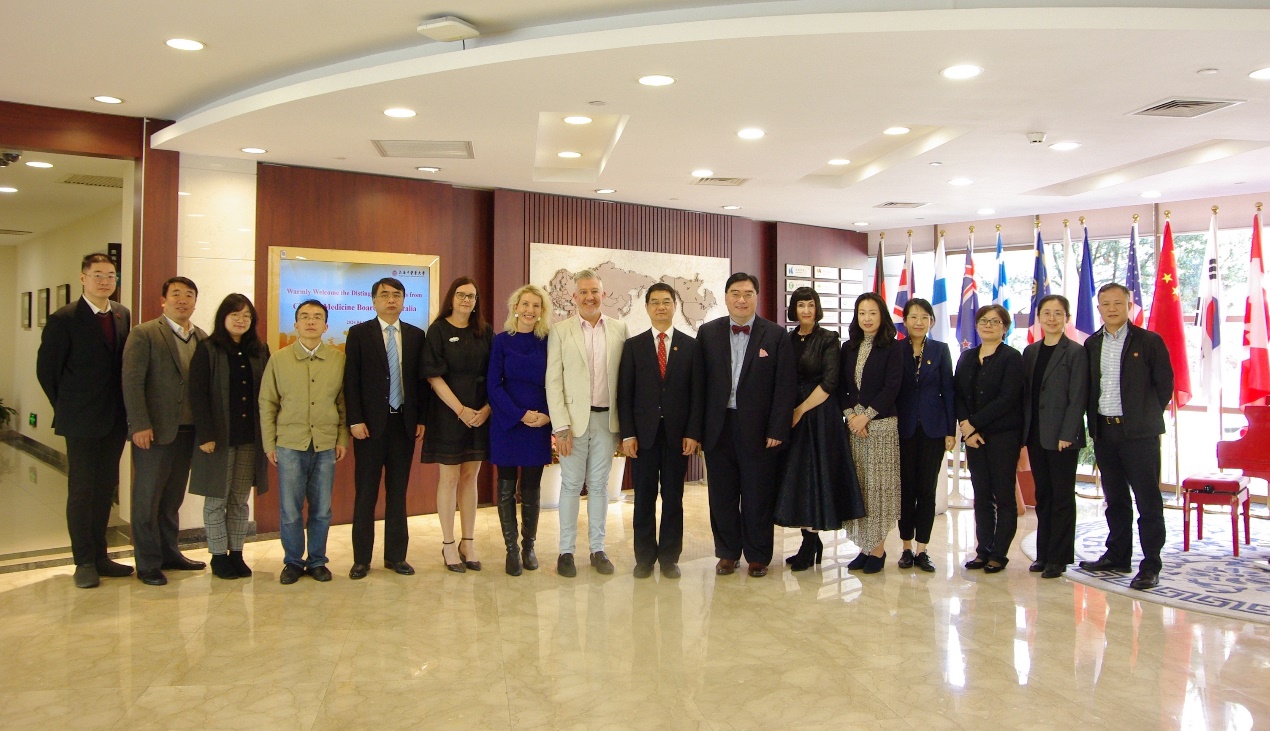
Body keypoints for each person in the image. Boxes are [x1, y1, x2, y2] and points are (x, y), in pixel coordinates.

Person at [36, 253, 134, 589]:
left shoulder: (122, 314)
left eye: (110, 275)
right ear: (83, 278)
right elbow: (47, 371)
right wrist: (68, 407)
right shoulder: (64, 318)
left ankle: (101, 556)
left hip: (114, 418)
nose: (105, 281)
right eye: (97, 275)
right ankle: (84, 561)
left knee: (105, 488)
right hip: (80, 420)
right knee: (82, 491)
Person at [698, 272, 796, 578]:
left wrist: (777, 429)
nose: (741, 300)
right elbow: (698, 386)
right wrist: (697, 431)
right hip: (718, 426)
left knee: (758, 494)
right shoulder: (708, 333)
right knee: (722, 495)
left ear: (757, 297)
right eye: (736, 294)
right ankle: (727, 553)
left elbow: (785, 387)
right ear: (726, 297)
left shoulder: (775, 335)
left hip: (759, 429)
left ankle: (757, 555)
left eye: (748, 294)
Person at [1079, 283, 1173, 591]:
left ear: (1129, 306)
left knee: (1148, 500)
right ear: (1099, 309)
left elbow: (1164, 386)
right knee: (1115, 499)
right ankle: (1118, 556)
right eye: (1106, 304)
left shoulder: (1148, 341)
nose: (1112, 309)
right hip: (1105, 431)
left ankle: (1151, 565)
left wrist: (1144, 415)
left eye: (1118, 303)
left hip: (1140, 434)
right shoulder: (1092, 344)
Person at [122, 276, 208, 586]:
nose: (182, 300)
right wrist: (139, 424)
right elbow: (132, 382)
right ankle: (147, 562)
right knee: (147, 499)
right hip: (154, 432)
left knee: (172, 498)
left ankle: (170, 553)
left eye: (189, 295)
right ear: (163, 300)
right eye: (176, 294)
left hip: (188, 431)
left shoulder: (201, 337)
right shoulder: (144, 333)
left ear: (195, 302)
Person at [617, 283, 705, 579]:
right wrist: (628, 434)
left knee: (673, 498)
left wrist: (692, 433)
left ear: (675, 306)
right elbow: (624, 394)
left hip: (677, 437)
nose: (661, 307)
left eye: (666, 301)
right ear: (646, 308)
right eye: (654, 302)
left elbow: (697, 394)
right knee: (643, 498)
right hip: (643, 437)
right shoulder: (634, 346)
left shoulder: (691, 346)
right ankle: (644, 558)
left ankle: (669, 558)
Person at [259, 299, 349, 584]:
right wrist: (269, 443)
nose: (311, 321)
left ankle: (318, 560)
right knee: (290, 510)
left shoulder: (338, 360)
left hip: (325, 443)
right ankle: (293, 562)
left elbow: (343, 403)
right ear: (296, 324)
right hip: (289, 444)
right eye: (305, 317)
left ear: (326, 325)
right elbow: (267, 402)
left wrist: (342, 438)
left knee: (322, 510)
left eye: (317, 317)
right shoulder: (279, 359)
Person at [774, 287, 864, 571]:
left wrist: (800, 410)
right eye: (801, 305)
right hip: (792, 417)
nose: (806, 310)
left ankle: (811, 543)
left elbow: (830, 382)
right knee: (798, 480)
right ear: (794, 309)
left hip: (819, 415)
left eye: (810, 305)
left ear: (817, 308)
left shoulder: (829, 339)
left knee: (816, 477)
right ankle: (808, 541)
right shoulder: (787, 339)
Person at [546, 270, 628, 577]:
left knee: (599, 486)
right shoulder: (560, 331)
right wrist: (560, 427)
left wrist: (625, 428)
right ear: (574, 296)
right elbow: (553, 381)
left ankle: (598, 549)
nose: (589, 297)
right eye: (583, 292)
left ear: (603, 295)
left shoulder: (620, 329)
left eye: (594, 291)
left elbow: (626, 381)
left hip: (607, 421)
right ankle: (566, 551)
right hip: (572, 424)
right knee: (570, 485)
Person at [344, 277, 427, 580]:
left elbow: (420, 383)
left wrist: (421, 419)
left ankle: (396, 557)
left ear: (404, 301)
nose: (391, 300)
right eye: (384, 295)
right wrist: (355, 420)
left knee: (397, 493)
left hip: (403, 424)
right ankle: (361, 560)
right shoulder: (359, 333)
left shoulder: (416, 335)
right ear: (374, 301)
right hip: (369, 427)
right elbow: (351, 380)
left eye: (396, 295)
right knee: (366, 493)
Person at [188, 293, 271, 580]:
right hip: (218, 438)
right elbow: (197, 394)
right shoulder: (208, 348)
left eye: (247, 315)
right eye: (235, 314)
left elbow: (268, 393)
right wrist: (206, 434)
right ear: (223, 317)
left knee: (239, 499)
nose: (241, 320)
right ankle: (218, 556)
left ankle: (236, 552)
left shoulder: (259, 350)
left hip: (250, 437)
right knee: (216, 499)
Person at [422, 276, 493, 573]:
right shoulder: (438, 330)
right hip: (448, 414)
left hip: (480, 414)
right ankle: (448, 544)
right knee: (449, 479)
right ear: (451, 298)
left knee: (470, 478)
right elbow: (433, 375)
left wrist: (486, 409)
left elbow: (496, 374)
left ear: (476, 302)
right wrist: (460, 410)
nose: (466, 300)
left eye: (472, 296)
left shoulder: (485, 331)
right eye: (461, 295)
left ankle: (468, 542)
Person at [954, 303, 1025, 574]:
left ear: (1004, 328)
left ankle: (999, 553)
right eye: (984, 320)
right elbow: (958, 394)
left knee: (1004, 495)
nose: (988, 325)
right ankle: (983, 550)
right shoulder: (967, 357)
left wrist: (973, 423)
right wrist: (967, 428)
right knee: (981, 494)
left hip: (1003, 436)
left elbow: (1008, 398)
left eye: (995, 321)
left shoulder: (1012, 358)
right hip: (973, 438)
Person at [1021, 295, 1088, 579]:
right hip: (1036, 434)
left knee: (1062, 497)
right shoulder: (1030, 351)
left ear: (1066, 319)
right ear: (1038, 317)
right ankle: (1043, 553)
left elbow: (1078, 396)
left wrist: (1068, 433)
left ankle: (1058, 558)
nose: (1051, 318)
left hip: (1062, 436)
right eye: (1046, 313)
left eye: (1058, 313)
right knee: (1043, 495)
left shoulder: (1075, 352)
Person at [488, 284, 552, 576]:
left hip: (538, 423)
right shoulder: (501, 341)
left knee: (531, 489)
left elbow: (557, 382)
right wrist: (519, 414)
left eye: (536, 305)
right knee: (505, 489)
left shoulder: (548, 341)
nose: (530, 310)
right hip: (508, 423)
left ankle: (528, 547)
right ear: (515, 307)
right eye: (525, 304)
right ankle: (511, 550)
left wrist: (547, 416)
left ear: (541, 311)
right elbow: (493, 386)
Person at [840, 292, 904, 574]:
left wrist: (866, 416)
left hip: (881, 427)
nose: (866, 318)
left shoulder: (893, 348)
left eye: (872, 313)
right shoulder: (848, 347)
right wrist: (852, 415)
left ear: (882, 316)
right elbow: (841, 387)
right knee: (861, 488)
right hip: (854, 428)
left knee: (879, 489)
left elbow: (892, 387)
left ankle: (877, 550)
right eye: (862, 313)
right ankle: (865, 548)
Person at [895, 297, 956, 573]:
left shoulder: (941, 350)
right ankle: (906, 548)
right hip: (903, 429)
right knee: (906, 489)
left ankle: (923, 549)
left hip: (933, 429)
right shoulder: (896, 350)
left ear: (931, 321)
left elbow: (948, 391)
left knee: (927, 490)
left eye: (924, 317)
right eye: (913, 317)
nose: (919, 322)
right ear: (905, 321)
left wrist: (950, 430)